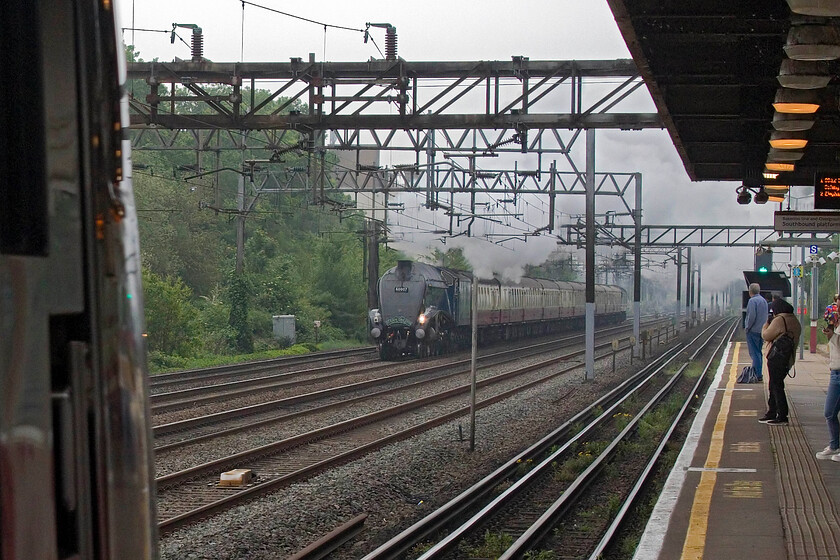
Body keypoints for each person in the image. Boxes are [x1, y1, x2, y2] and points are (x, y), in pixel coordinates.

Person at [759, 298, 801, 425]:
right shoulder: (794, 320)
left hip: (776, 358)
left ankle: (782, 416)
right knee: (774, 384)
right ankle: (772, 412)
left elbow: (766, 335)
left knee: (776, 386)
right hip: (788, 358)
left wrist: (766, 323)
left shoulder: (779, 320)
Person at [816, 305, 840, 460]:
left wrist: (833, 336)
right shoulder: (837, 326)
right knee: (829, 412)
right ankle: (834, 445)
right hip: (835, 373)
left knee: (830, 412)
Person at [744, 283, 769, 381]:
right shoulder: (763, 301)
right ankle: (758, 373)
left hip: (753, 330)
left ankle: (757, 374)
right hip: (761, 330)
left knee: (754, 353)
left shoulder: (752, 301)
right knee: (758, 352)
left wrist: (747, 327)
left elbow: (751, 316)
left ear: (750, 291)